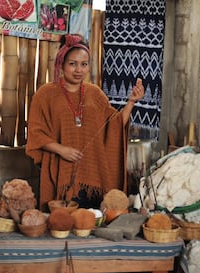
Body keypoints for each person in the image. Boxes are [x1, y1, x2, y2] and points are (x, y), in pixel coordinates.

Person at [26, 34, 145, 211]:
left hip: (92, 174)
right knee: (62, 220)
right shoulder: (45, 95)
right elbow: (36, 134)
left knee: (90, 222)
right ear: (61, 63)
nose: (78, 70)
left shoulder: (94, 93)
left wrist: (131, 102)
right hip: (61, 171)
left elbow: (115, 125)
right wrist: (61, 150)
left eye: (84, 64)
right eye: (72, 64)